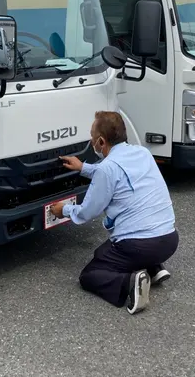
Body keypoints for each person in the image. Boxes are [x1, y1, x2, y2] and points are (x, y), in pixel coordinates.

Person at [49, 111, 178, 315]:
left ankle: (129, 283)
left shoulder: (107, 169)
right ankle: (155, 269)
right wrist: (83, 167)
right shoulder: (142, 153)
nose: (92, 143)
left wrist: (61, 210)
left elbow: (86, 213)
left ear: (101, 141)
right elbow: (113, 172)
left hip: (139, 245)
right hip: (169, 240)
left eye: (92, 138)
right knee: (103, 253)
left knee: (90, 275)